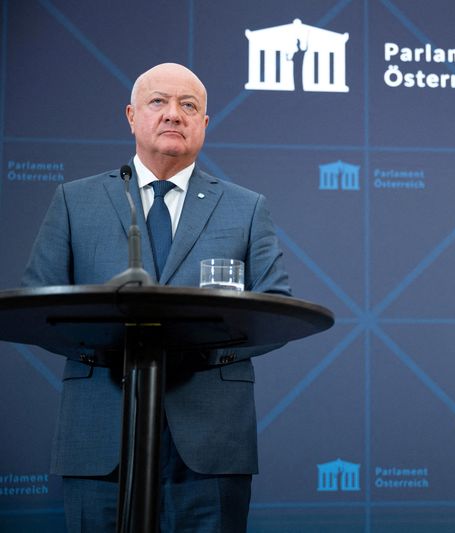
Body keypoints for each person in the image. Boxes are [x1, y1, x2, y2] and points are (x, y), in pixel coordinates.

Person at [22, 63, 290, 532]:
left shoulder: (247, 208)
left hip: (210, 438)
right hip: (100, 431)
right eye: (158, 102)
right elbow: (38, 305)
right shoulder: (75, 200)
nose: (174, 114)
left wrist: (201, 351)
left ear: (204, 124)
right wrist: (112, 348)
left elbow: (276, 308)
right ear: (131, 115)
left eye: (189, 106)